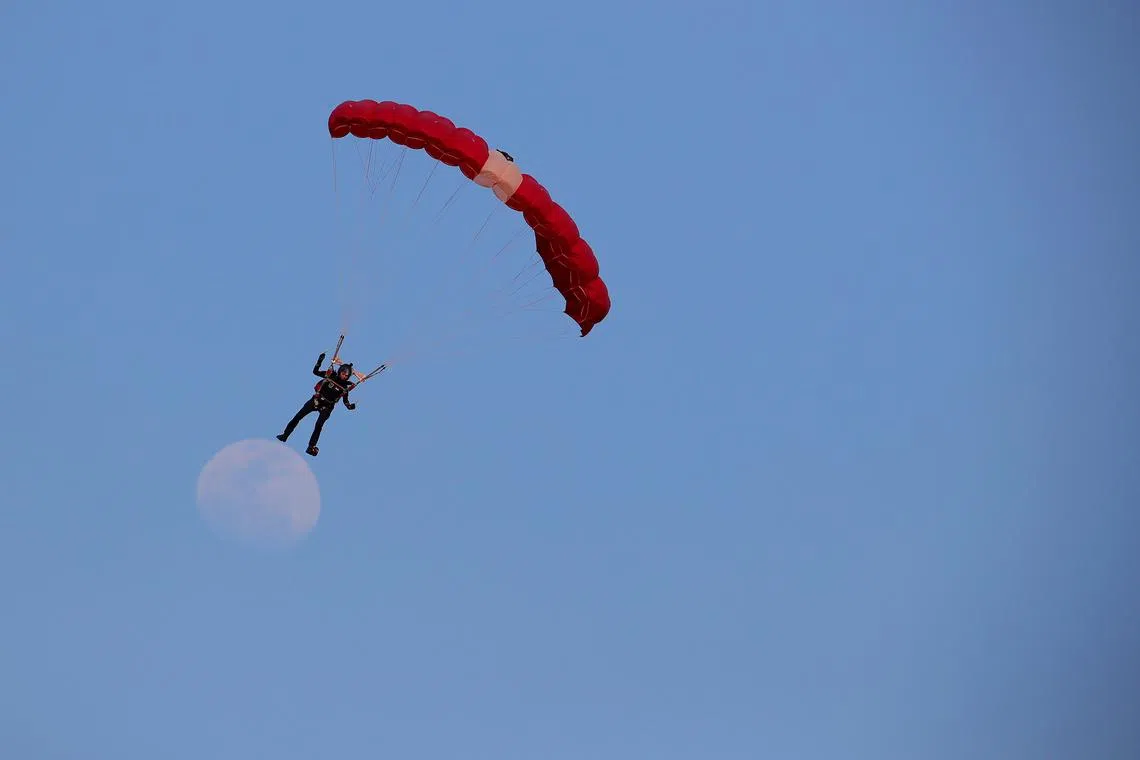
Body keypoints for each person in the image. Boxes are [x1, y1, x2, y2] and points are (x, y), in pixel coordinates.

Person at [276, 352, 357, 456]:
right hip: (316, 400)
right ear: (340, 371)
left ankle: (311, 447)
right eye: (343, 374)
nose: (344, 377)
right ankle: (285, 435)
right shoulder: (330, 375)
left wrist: (350, 406)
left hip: (327, 407)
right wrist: (319, 361)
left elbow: (345, 401)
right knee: (298, 416)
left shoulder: (346, 387)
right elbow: (315, 372)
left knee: (318, 425)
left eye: (347, 376)